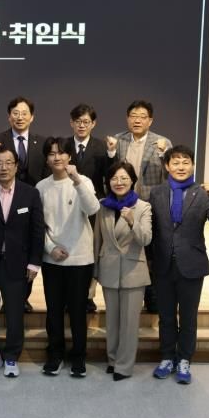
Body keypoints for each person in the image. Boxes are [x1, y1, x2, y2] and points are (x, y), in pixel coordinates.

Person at [149, 145, 209, 385]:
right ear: (167, 166)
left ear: (193, 166)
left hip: (192, 264)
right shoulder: (157, 193)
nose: (181, 167)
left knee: (188, 317)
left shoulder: (202, 193)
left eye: (185, 162)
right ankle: (167, 357)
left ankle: (184, 359)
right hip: (163, 264)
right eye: (175, 162)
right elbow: (152, 229)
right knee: (166, 317)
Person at [0, 145, 44, 378]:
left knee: (15, 314)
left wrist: (34, 263)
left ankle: (12, 356)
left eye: (8, 163)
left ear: (16, 166)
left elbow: (37, 231)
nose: (3, 167)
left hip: (18, 263)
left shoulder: (30, 193)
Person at [36, 137, 100, 377]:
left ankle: (79, 357)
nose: (57, 157)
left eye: (61, 153)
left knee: (77, 311)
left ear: (70, 156)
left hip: (80, 259)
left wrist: (76, 180)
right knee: (53, 311)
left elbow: (93, 208)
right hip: (52, 258)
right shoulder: (41, 187)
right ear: (46, 159)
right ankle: (55, 355)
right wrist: (49, 248)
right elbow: (38, 225)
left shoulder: (83, 181)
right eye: (52, 153)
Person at [106, 100, 172, 313]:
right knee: (126, 249)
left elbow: (168, 174)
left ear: (150, 121)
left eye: (142, 116)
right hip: (122, 205)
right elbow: (110, 172)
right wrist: (110, 153)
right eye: (133, 116)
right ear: (127, 119)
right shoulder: (118, 140)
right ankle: (126, 289)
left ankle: (152, 297)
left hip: (149, 206)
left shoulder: (161, 142)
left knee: (150, 252)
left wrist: (163, 154)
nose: (137, 120)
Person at [0, 96, 49, 312]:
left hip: (32, 202)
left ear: (32, 117)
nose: (19, 117)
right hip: (5, 204)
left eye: (24, 113)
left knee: (28, 248)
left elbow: (45, 173)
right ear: (9, 116)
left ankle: (22, 297)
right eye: (15, 113)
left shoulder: (41, 142)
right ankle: (8, 296)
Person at [93, 161, 152, 381]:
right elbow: (97, 240)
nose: (119, 182)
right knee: (112, 320)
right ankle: (112, 360)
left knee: (129, 323)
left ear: (133, 181)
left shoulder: (143, 207)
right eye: (114, 178)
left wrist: (133, 221)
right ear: (108, 182)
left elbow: (146, 239)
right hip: (109, 268)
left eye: (124, 178)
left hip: (133, 270)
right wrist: (95, 271)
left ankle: (124, 366)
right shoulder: (103, 206)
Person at [64, 103, 113, 313]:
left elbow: (111, 176)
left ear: (93, 123)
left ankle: (88, 296)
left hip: (93, 207)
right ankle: (68, 296)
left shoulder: (102, 147)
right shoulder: (63, 145)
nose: (81, 125)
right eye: (78, 121)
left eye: (86, 121)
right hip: (67, 206)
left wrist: (112, 154)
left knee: (91, 251)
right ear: (71, 123)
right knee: (69, 249)